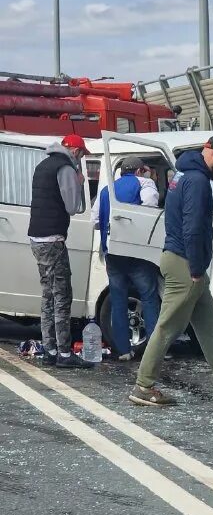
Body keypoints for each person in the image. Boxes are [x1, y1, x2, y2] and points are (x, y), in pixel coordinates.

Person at [129, 134, 213, 406]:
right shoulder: (198, 181)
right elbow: (193, 226)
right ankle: (143, 386)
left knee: (208, 322)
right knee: (169, 326)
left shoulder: (183, 176)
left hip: (186, 262)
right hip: (185, 263)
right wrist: (194, 267)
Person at [28, 134, 94, 368]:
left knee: (47, 294)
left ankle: (50, 349)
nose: (81, 158)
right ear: (74, 150)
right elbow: (73, 207)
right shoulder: (65, 168)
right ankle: (64, 354)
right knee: (62, 294)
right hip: (53, 239)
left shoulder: (43, 165)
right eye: (82, 154)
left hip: (36, 238)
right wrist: (79, 182)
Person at [94, 156, 161, 361]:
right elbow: (151, 207)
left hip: (113, 252)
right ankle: (154, 350)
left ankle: (123, 350)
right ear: (140, 171)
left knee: (118, 300)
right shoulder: (145, 183)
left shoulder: (107, 189)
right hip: (136, 252)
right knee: (149, 297)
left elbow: (95, 220)